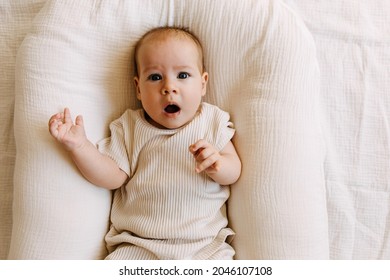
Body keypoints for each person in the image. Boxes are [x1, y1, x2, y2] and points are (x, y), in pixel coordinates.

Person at [48, 26, 241, 260]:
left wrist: (219, 164)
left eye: (182, 75)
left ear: (203, 84)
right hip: (138, 246)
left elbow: (234, 171)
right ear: (138, 88)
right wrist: (80, 146)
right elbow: (112, 176)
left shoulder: (212, 121)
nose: (169, 87)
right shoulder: (128, 126)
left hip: (204, 246)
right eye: (155, 77)